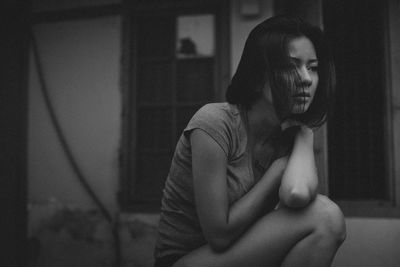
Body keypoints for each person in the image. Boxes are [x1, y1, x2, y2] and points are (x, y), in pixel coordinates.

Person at [154, 15, 346, 267]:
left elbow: (297, 194)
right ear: (257, 76)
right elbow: (219, 235)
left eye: (312, 67)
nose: (306, 79)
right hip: (185, 260)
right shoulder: (215, 122)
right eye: (291, 66)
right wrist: (277, 171)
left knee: (326, 219)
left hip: (241, 255)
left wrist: (304, 137)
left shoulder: (288, 139)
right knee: (326, 216)